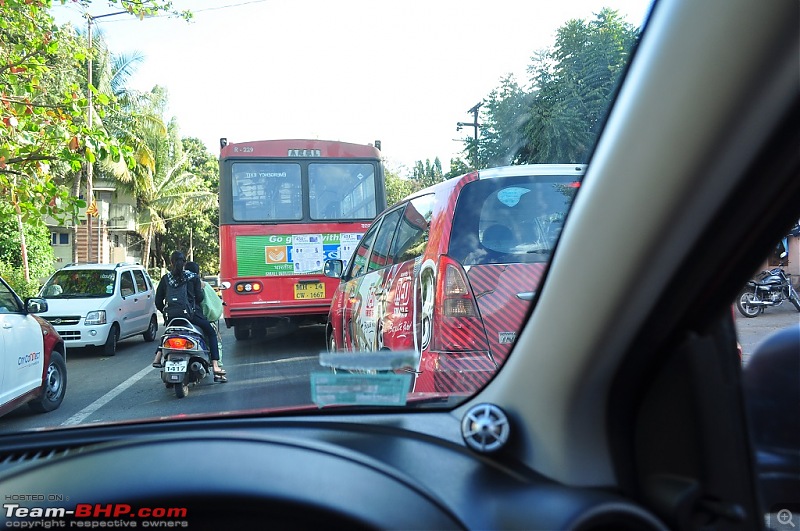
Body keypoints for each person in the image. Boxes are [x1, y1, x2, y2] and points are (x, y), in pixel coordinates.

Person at [153, 251, 227, 382]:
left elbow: (158, 301)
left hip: (172, 317)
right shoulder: (193, 277)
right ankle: (215, 365)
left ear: (171, 262)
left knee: (168, 332)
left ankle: (157, 358)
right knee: (211, 332)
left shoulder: (165, 279)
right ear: (184, 263)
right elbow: (199, 297)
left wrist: (166, 313)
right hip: (192, 316)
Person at [185, 261, 224, 365]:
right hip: (195, 317)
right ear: (197, 273)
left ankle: (158, 356)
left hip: (175, 317)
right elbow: (207, 302)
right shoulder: (201, 284)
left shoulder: (174, 281)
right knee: (212, 333)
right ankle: (216, 365)